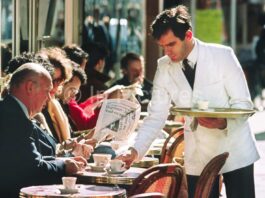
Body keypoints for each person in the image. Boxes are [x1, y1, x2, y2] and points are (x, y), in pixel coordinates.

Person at [118, 5, 260, 198]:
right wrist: (135, 151)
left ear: (188, 35)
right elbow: (155, 116)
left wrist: (223, 122)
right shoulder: (164, 66)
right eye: (163, 47)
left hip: (235, 148)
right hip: (198, 153)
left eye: (171, 44)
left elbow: (244, 104)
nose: (167, 52)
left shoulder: (223, 56)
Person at [0, 63, 87, 197]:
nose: (49, 98)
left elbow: (30, 160)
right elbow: (32, 169)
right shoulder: (13, 118)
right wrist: (64, 167)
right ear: (29, 87)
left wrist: (64, 162)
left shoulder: (11, 111)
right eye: (47, 91)